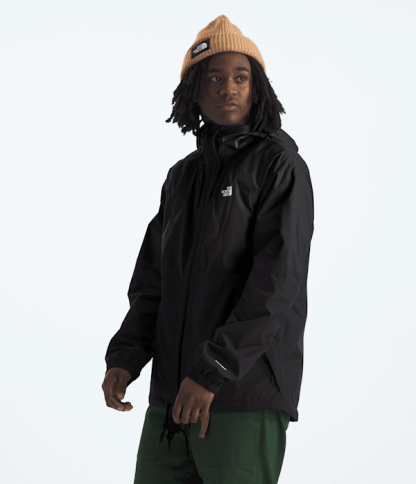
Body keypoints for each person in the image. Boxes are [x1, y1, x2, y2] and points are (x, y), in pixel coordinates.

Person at [102, 14, 314, 484]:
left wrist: (213, 369)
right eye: (214, 78)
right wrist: (125, 357)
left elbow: (276, 283)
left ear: (258, 89)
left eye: (241, 77)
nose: (228, 89)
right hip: (172, 399)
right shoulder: (181, 178)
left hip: (241, 394)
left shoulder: (280, 166)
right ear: (193, 91)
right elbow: (153, 282)